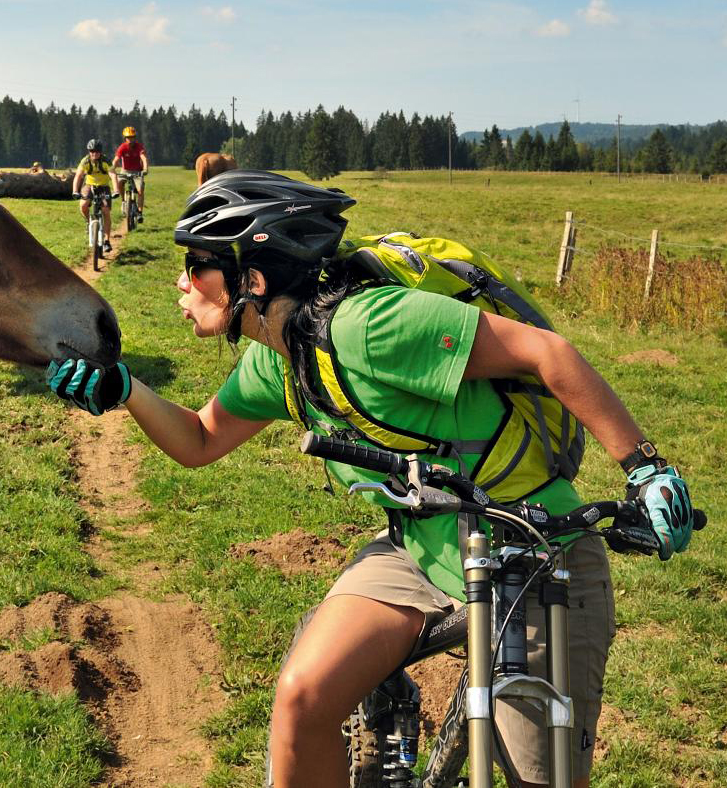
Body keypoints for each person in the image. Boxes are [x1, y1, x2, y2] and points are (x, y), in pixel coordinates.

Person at [47, 170, 694, 788]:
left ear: (252, 274)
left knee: (540, 776)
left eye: (196, 266)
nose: (181, 284)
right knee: (302, 698)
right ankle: (385, 710)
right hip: (420, 549)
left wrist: (647, 468)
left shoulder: (370, 325)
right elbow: (199, 437)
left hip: (531, 546)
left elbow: (544, 352)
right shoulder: (279, 359)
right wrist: (124, 387)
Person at [72, 139, 114, 253]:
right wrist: (75, 191)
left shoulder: (106, 161)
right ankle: (88, 222)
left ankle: (107, 241)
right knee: (83, 205)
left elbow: (113, 175)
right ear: (89, 151)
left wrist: (116, 191)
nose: (94, 153)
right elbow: (78, 176)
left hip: (104, 186)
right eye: (91, 151)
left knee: (105, 211)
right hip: (89, 185)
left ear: (100, 152)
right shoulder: (85, 161)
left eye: (96, 151)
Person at [113, 124, 149, 220]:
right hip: (125, 170)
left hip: (137, 171)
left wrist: (145, 169)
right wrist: (112, 168)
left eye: (132, 138)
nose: (130, 140)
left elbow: (144, 158)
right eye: (128, 138)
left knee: (140, 189)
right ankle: (124, 201)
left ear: (135, 138)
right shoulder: (122, 147)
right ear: (125, 138)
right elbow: (116, 159)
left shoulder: (139, 147)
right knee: (119, 182)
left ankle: (140, 212)